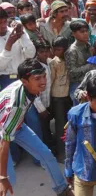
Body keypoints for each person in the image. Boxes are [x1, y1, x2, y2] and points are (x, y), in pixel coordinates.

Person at [0, 59, 74, 196]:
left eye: (44, 76)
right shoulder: (15, 105)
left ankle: (62, 189)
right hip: (3, 132)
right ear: (25, 81)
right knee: (7, 178)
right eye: (38, 78)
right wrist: (2, 177)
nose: (44, 81)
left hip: (16, 125)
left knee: (47, 155)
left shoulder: (30, 87)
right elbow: (4, 142)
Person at [49, 36, 72, 163]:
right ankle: (61, 153)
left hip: (68, 95)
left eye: (59, 50)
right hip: (58, 97)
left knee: (70, 123)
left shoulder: (70, 60)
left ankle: (70, 150)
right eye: (55, 50)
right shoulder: (53, 63)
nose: (56, 52)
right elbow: (51, 80)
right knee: (60, 125)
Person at [0, 9, 36, 89]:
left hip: (22, 77)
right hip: (4, 81)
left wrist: (22, 35)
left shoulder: (15, 31)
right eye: (0, 23)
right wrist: (8, 47)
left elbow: (31, 54)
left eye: (5, 21)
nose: (3, 25)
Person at [65, 20, 96, 105]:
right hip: (78, 85)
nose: (85, 33)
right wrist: (89, 66)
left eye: (87, 31)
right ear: (73, 34)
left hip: (89, 82)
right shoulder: (72, 51)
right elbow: (71, 72)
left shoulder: (89, 45)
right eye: (82, 32)